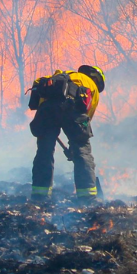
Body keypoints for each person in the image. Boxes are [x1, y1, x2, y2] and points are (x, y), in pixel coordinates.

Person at [28, 64, 105, 204]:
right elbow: (86, 119)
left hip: (46, 110)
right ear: (97, 79)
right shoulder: (91, 85)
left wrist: (48, 118)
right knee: (82, 151)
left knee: (44, 151)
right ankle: (88, 198)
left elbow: (41, 96)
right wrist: (76, 148)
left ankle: (40, 196)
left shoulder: (61, 76)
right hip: (74, 109)